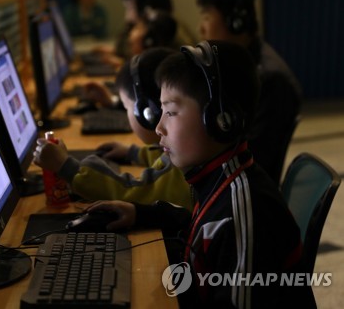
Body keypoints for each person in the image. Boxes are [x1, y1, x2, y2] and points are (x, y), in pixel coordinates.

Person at [86, 41, 315, 308]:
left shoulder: (243, 214)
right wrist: (142, 214)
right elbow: (206, 230)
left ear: (219, 118)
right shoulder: (222, 177)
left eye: (170, 112)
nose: (159, 127)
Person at [33, 48, 192, 208]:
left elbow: (130, 192)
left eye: (126, 107)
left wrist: (66, 167)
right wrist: (134, 153)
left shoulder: (180, 166)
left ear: (147, 114)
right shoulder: (186, 150)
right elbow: (160, 154)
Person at [196, 0, 302, 185]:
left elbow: (252, 157)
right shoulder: (238, 63)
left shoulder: (271, 79)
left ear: (236, 22)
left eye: (207, 17)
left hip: (239, 191)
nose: (202, 28)